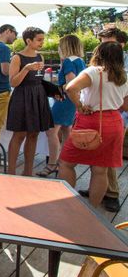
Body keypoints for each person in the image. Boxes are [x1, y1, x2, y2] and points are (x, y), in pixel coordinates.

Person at [58, 42, 128, 208]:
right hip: (114, 122)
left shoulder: (94, 72)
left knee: (66, 163)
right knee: (100, 170)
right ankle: (93, 209)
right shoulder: (124, 76)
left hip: (91, 121)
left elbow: (70, 88)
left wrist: (80, 106)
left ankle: (69, 204)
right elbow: (125, 105)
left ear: (99, 53)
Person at [79, 27, 128, 211]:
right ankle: (99, 189)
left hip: (116, 114)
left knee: (107, 157)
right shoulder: (108, 62)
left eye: (106, 41)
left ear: (120, 42)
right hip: (110, 113)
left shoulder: (121, 62)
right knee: (101, 156)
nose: (102, 45)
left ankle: (112, 194)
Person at [6, 27, 53, 176]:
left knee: (34, 134)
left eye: (43, 39)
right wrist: (26, 69)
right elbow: (13, 82)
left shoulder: (40, 57)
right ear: (28, 40)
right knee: (19, 135)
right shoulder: (17, 58)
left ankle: (28, 172)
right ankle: (11, 172)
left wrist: (54, 92)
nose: (42, 42)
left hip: (38, 96)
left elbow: (40, 80)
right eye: (39, 40)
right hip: (22, 96)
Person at [41, 35, 86, 178]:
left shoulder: (68, 61)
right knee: (67, 131)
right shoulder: (80, 61)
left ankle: (52, 164)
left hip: (64, 100)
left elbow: (70, 84)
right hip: (74, 101)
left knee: (51, 131)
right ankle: (63, 162)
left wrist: (54, 89)